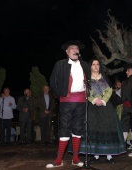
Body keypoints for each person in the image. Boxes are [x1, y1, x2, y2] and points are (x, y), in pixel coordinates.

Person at [46, 40, 90, 168]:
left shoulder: (85, 65)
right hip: (67, 101)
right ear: (67, 51)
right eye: (72, 48)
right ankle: (59, 159)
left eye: (77, 48)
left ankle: (75, 158)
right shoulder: (60, 64)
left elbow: (91, 80)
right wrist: (61, 94)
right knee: (64, 128)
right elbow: (53, 81)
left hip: (82, 101)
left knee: (78, 129)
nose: (75, 50)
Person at [74, 58, 126, 163]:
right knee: (93, 128)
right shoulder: (86, 79)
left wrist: (103, 100)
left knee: (107, 128)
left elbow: (110, 90)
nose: (96, 66)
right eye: (93, 64)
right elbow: (85, 92)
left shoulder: (105, 78)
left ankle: (109, 156)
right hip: (92, 107)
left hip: (105, 107)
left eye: (97, 64)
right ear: (90, 66)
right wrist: (94, 99)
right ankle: (96, 155)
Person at [120, 63, 132, 149]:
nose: (126, 72)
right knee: (125, 125)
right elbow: (123, 95)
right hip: (126, 106)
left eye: (128, 70)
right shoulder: (125, 82)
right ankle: (123, 144)